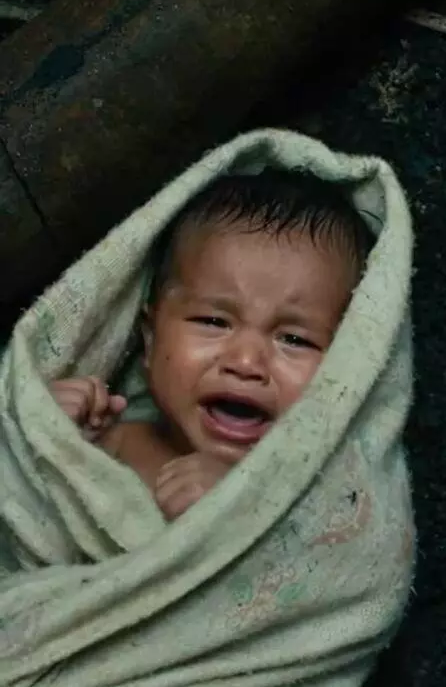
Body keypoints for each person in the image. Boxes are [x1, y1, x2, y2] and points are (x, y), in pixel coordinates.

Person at [49, 168, 374, 520]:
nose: (246, 362)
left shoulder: (312, 501)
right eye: (213, 321)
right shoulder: (113, 444)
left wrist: (239, 514)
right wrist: (49, 438)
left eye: (295, 339)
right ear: (151, 339)